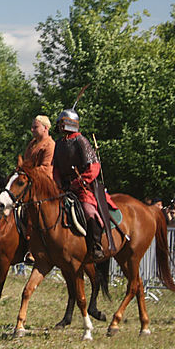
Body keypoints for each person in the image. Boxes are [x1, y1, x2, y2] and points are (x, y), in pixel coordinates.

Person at [51, 108, 118, 262]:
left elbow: (94, 166)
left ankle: (96, 246)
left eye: (63, 123)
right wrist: (58, 182)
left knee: (89, 211)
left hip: (84, 188)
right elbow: (55, 168)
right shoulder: (59, 144)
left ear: (71, 123)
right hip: (64, 187)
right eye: (59, 123)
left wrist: (79, 182)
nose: (60, 126)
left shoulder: (81, 141)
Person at [20, 114, 55, 264]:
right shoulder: (32, 144)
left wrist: (28, 172)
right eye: (32, 126)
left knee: (33, 212)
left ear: (45, 128)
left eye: (35, 127)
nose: (32, 129)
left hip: (44, 187)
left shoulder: (50, 145)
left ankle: (34, 248)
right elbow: (26, 163)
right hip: (30, 183)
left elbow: (46, 168)